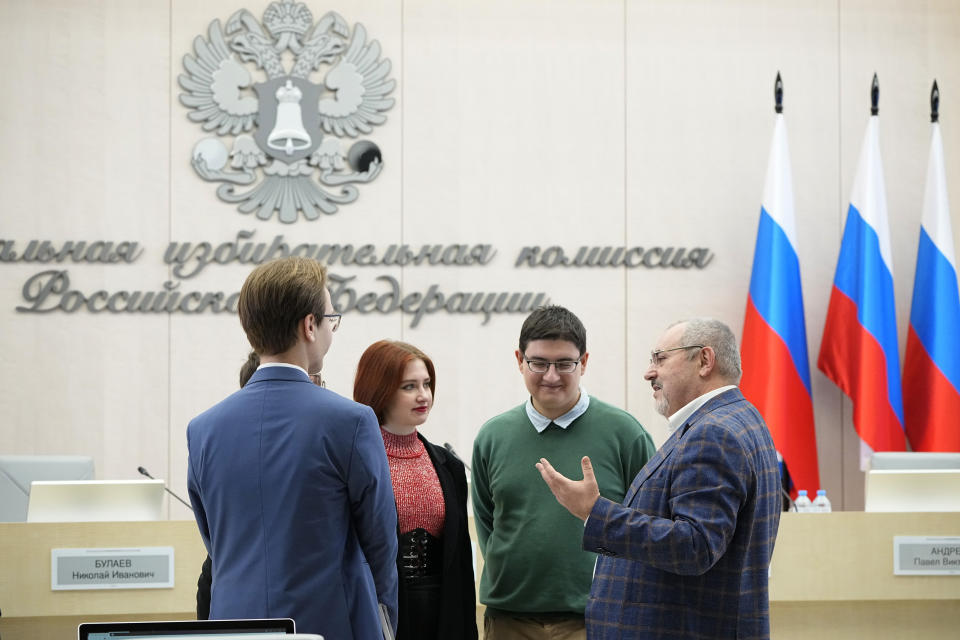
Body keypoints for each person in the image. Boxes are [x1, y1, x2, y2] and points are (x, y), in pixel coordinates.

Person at [186, 257, 398, 638]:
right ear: (310, 325)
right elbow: (380, 545)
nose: (333, 328)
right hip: (332, 624)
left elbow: (217, 543)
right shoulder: (350, 422)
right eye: (331, 318)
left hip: (235, 623)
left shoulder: (203, 430)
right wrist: (384, 623)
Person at [536, 318, 782, 639]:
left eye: (660, 359)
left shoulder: (713, 433)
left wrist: (596, 512)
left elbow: (695, 546)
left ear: (704, 361)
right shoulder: (738, 418)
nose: (649, 372)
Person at [471, 305, 655, 640]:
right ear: (519, 360)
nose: (551, 375)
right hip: (509, 620)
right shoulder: (492, 436)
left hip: (598, 619)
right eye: (538, 363)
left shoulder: (626, 434)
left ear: (583, 362)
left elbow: (650, 525)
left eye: (564, 363)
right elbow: (489, 524)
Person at [353, 340, 478, 640]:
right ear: (379, 390)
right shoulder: (355, 463)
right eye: (409, 386)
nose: (423, 395)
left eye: (427, 384)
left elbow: (460, 562)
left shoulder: (448, 465)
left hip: (443, 615)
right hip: (380, 613)